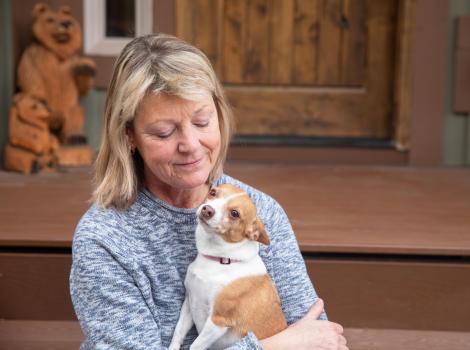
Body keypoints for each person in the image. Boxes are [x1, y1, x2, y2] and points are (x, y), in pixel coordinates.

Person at [70, 33, 348, 350]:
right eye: (164, 131)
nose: (190, 145)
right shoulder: (105, 239)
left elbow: (316, 335)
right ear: (128, 136)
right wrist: (273, 347)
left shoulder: (258, 210)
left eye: (202, 122)